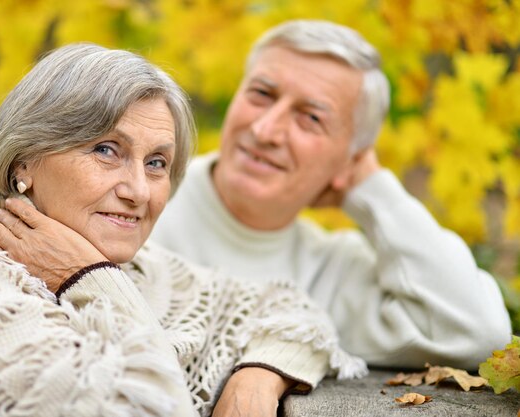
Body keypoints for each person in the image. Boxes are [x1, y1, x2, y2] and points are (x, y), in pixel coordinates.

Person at [0, 43, 366, 417]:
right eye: (106, 150)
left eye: (157, 162)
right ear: (24, 163)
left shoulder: (151, 274)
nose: (139, 190)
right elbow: (144, 405)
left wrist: (256, 380)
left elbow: (291, 311)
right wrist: (90, 281)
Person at [148, 19, 512, 370]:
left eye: (311, 118)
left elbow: (478, 331)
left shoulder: (333, 273)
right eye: (261, 94)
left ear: (350, 160)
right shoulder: (138, 198)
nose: (265, 130)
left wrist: (373, 190)